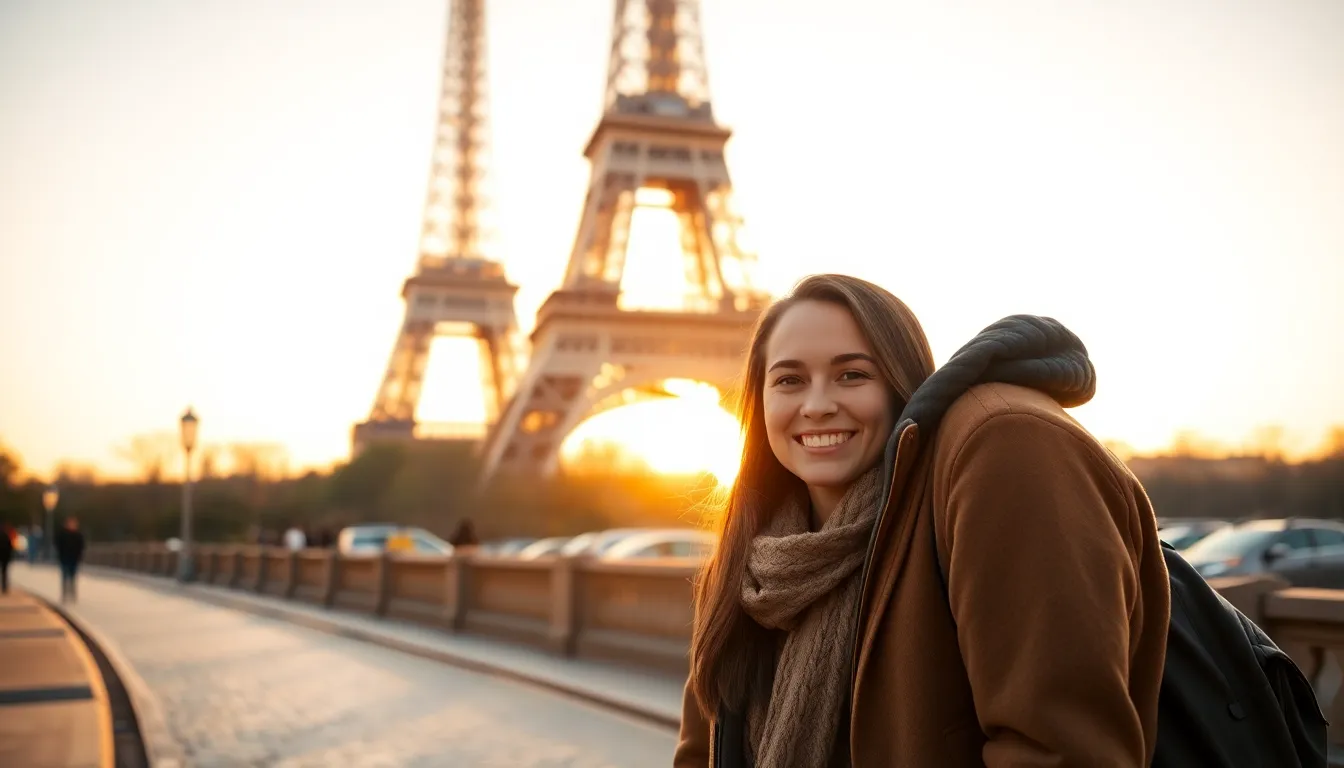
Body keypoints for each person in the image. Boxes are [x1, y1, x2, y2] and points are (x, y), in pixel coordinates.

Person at [675, 274, 1170, 767]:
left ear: (901, 386)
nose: (818, 405)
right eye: (789, 380)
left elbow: (1064, 749)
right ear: (759, 402)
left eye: (852, 375)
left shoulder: (988, 463)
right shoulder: (752, 565)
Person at [54, 517, 86, 603]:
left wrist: (79, 556)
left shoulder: (78, 535)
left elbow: (81, 547)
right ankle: (64, 594)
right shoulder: (62, 534)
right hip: (64, 558)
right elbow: (58, 545)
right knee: (65, 577)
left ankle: (72, 594)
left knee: (72, 577)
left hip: (74, 559)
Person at [0, 523, 14, 594]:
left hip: (3, 556)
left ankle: (4, 587)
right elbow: (10, 547)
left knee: (4, 572)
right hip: (5, 557)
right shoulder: (7, 537)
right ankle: (4, 587)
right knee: (4, 572)